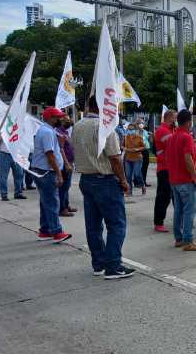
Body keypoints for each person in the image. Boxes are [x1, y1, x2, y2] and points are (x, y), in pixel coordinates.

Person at [72, 96, 135, 279]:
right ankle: (113, 265)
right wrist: (123, 180)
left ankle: (98, 263)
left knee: (93, 225)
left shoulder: (78, 126)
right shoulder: (105, 127)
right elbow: (115, 157)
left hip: (86, 178)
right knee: (116, 224)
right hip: (105, 180)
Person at [167, 110, 196, 251]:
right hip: (185, 180)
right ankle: (188, 241)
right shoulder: (186, 137)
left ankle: (179, 238)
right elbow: (188, 158)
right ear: (189, 122)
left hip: (174, 180)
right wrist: (195, 177)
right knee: (189, 210)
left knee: (178, 210)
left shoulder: (172, 137)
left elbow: (169, 158)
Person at [32, 107, 71, 243]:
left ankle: (45, 230)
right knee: (52, 202)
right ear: (50, 118)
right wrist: (59, 174)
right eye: (58, 117)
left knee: (46, 201)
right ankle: (56, 231)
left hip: (42, 170)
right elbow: (50, 155)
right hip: (47, 171)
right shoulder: (47, 132)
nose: (60, 119)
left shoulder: (47, 130)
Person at [153, 110, 176, 233]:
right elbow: (173, 144)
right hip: (164, 168)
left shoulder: (170, 130)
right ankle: (158, 222)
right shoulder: (162, 130)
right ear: (169, 117)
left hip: (170, 167)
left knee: (174, 197)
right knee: (164, 197)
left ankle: (180, 221)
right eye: (174, 118)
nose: (175, 120)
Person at [56, 115, 76, 217]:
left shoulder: (66, 132)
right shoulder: (59, 132)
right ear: (62, 121)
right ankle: (62, 208)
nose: (69, 121)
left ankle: (66, 205)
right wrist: (67, 163)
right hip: (65, 163)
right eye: (67, 120)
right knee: (63, 187)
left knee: (67, 186)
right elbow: (61, 149)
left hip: (70, 161)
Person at [123, 122, 146, 196]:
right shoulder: (126, 137)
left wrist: (136, 149)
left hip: (137, 158)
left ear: (135, 130)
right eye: (129, 129)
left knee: (137, 174)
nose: (130, 131)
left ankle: (143, 185)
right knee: (128, 176)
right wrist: (125, 149)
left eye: (132, 129)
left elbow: (143, 147)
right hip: (128, 158)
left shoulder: (139, 137)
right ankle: (129, 191)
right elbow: (122, 146)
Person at [138, 120, 152, 187]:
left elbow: (150, 140)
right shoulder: (134, 132)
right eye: (139, 123)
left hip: (145, 150)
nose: (141, 124)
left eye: (142, 123)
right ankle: (138, 182)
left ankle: (143, 181)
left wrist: (151, 136)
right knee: (138, 167)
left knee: (145, 166)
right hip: (138, 151)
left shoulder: (146, 132)